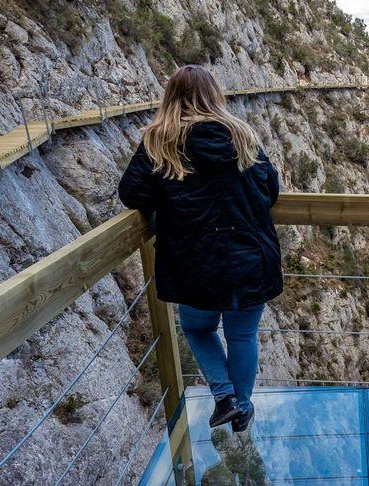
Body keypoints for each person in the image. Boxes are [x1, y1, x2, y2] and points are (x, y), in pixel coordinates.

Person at [119, 65, 282, 433]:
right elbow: (270, 189)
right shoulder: (242, 136)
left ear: (171, 97)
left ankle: (224, 397)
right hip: (249, 258)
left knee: (197, 328)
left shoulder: (159, 142)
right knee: (242, 335)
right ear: (215, 94)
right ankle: (240, 407)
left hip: (195, 263)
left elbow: (132, 194)